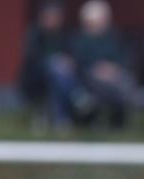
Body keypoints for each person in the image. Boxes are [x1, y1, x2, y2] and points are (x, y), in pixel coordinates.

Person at [71, 0, 131, 129]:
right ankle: (93, 119)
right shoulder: (80, 39)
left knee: (124, 82)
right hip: (89, 76)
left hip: (114, 74)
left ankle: (118, 121)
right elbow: (79, 61)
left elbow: (123, 56)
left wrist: (113, 68)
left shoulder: (114, 36)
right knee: (99, 87)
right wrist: (97, 69)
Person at [19, 0, 76, 130]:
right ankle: (65, 114)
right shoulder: (35, 35)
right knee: (56, 72)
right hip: (37, 76)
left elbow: (72, 56)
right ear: (43, 18)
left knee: (59, 77)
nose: (53, 20)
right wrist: (54, 62)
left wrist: (66, 62)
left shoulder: (64, 35)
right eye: (50, 17)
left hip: (62, 75)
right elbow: (32, 58)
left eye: (56, 17)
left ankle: (61, 115)